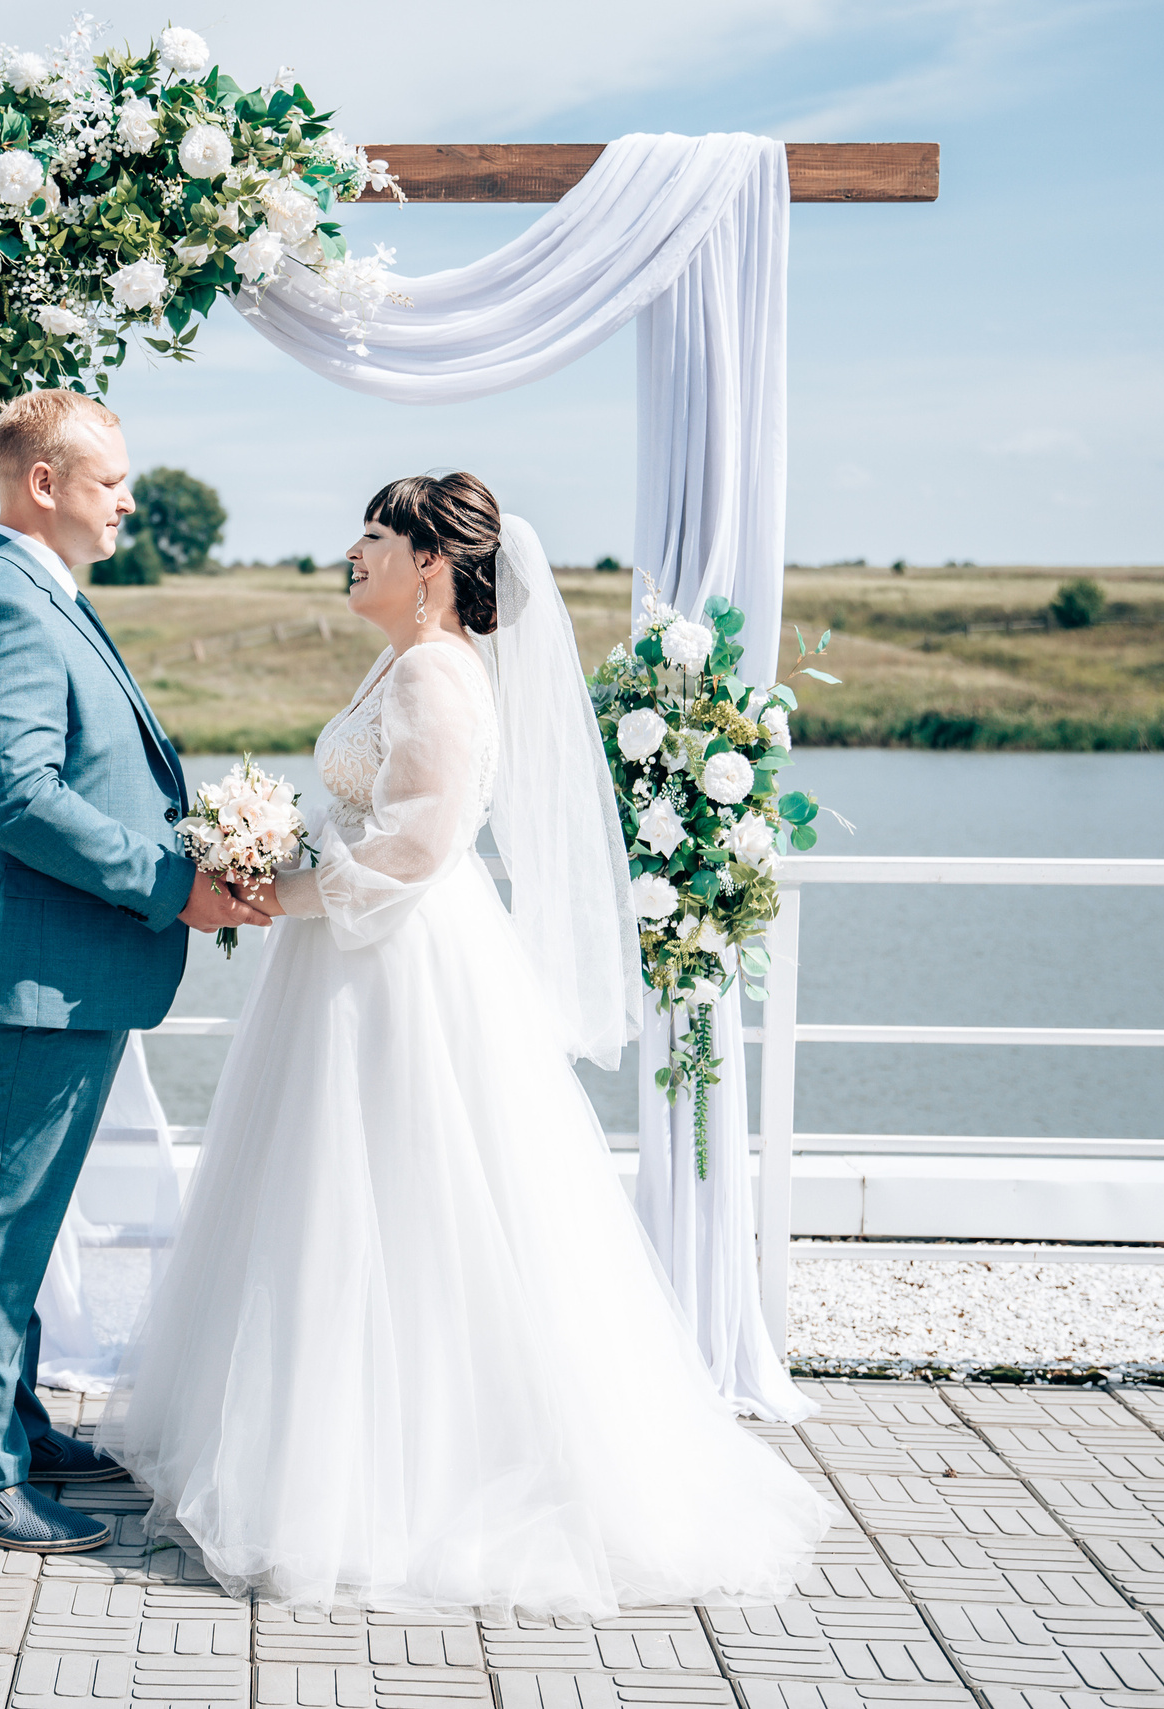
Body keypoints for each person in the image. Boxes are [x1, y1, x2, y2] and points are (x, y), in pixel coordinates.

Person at [105, 472, 831, 1617]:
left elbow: (413, 849)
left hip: (400, 961)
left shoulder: (441, 671)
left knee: (407, 1194)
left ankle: (407, 1475)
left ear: (431, 562)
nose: (351, 550)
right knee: (330, 1199)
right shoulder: (401, 659)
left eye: (374, 536)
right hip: (347, 955)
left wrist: (273, 889)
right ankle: (319, 1445)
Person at [0, 388, 269, 1554]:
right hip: (30, 967)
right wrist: (173, 881)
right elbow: (19, 798)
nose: (128, 496)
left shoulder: (34, 592)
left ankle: (8, 1424)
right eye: (110, 479)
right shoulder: (1, 606)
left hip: (57, 962)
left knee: (22, 1213)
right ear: (44, 485)